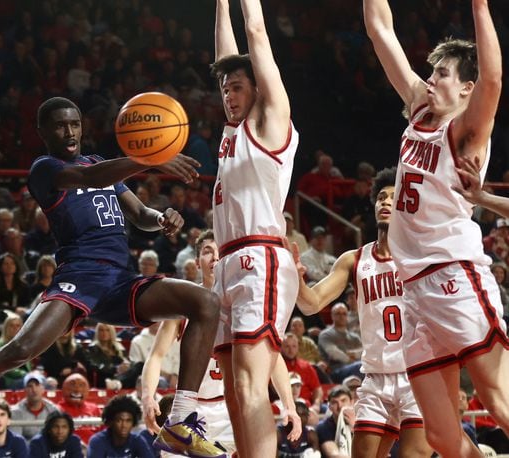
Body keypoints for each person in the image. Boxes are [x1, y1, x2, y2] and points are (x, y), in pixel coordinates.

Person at [0, 97, 224, 458]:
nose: (70, 131)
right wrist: (152, 157)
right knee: (20, 349)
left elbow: (138, 214)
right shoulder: (45, 169)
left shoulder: (101, 163)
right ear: (43, 132)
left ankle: (181, 422)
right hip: (79, 277)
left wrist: (161, 218)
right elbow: (89, 178)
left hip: (121, 282)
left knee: (205, 302)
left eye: (75, 123)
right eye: (60, 125)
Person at [364, 0, 509, 454]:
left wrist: (480, 6)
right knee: (441, 436)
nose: (431, 80)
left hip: (454, 275)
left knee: (501, 399)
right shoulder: (418, 111)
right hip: (411, 290)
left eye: (442, 74)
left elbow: (493, 79)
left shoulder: (467, 132)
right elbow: (379, 28)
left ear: (465, 87)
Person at [210, 0, 302, 455]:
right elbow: (224, 59)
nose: (229, 94)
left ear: (259, 91)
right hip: (227, 263)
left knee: (250, 387)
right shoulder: (231, 133)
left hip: (259, 257)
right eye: (225, 89)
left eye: (238, 87)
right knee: (233, 393)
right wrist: (221, 6)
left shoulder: (270, 122)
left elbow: (257, 34)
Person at [294, 167, 432, 456]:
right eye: (381, 197)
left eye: (393, 198)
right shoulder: (353, 260)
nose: (385, 202)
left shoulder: (421, 256)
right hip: (375, 376)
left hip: (416, 375)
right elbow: (310, 303)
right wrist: (295, 276)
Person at [141, 230, 238, 453]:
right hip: (189, 408)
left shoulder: (239, 304)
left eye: (219, 252)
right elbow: (155, 356)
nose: (214, 257)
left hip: (229, 408)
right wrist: (148, 396)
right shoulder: (183, 306)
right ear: (196, 262)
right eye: (207, 251)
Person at [87, 396, 153, 458]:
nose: (124, 425)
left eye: (128, 421)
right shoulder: (98, 441)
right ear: (111, 421)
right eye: (119, 420)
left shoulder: (137, 440)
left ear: (133, 422)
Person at [317, 304, 364, 383]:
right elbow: (333, 353)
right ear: (332, 316)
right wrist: (350, 358)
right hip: (335, 371)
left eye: (344, 314)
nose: (341, 316)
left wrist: (354, 353)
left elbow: (364, 351)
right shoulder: (325, 334)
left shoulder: (354, 337)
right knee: (361, 366)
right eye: (338, 313)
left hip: (355, 367)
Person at [10, 371, 60, 440]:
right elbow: (17, 441)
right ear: (25, 390)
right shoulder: (15, 411)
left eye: (37, 385)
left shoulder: (53, 410)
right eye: (30, 386)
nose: (34, 389)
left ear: (43, 389)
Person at [316, 386, 356, 457]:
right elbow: (334, 455)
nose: (340, 406)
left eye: (343, 400)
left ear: (351, 402)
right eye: (334, 402)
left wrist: (354, 428)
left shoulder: (361, 423)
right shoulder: (323, 427)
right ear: (329, 406)